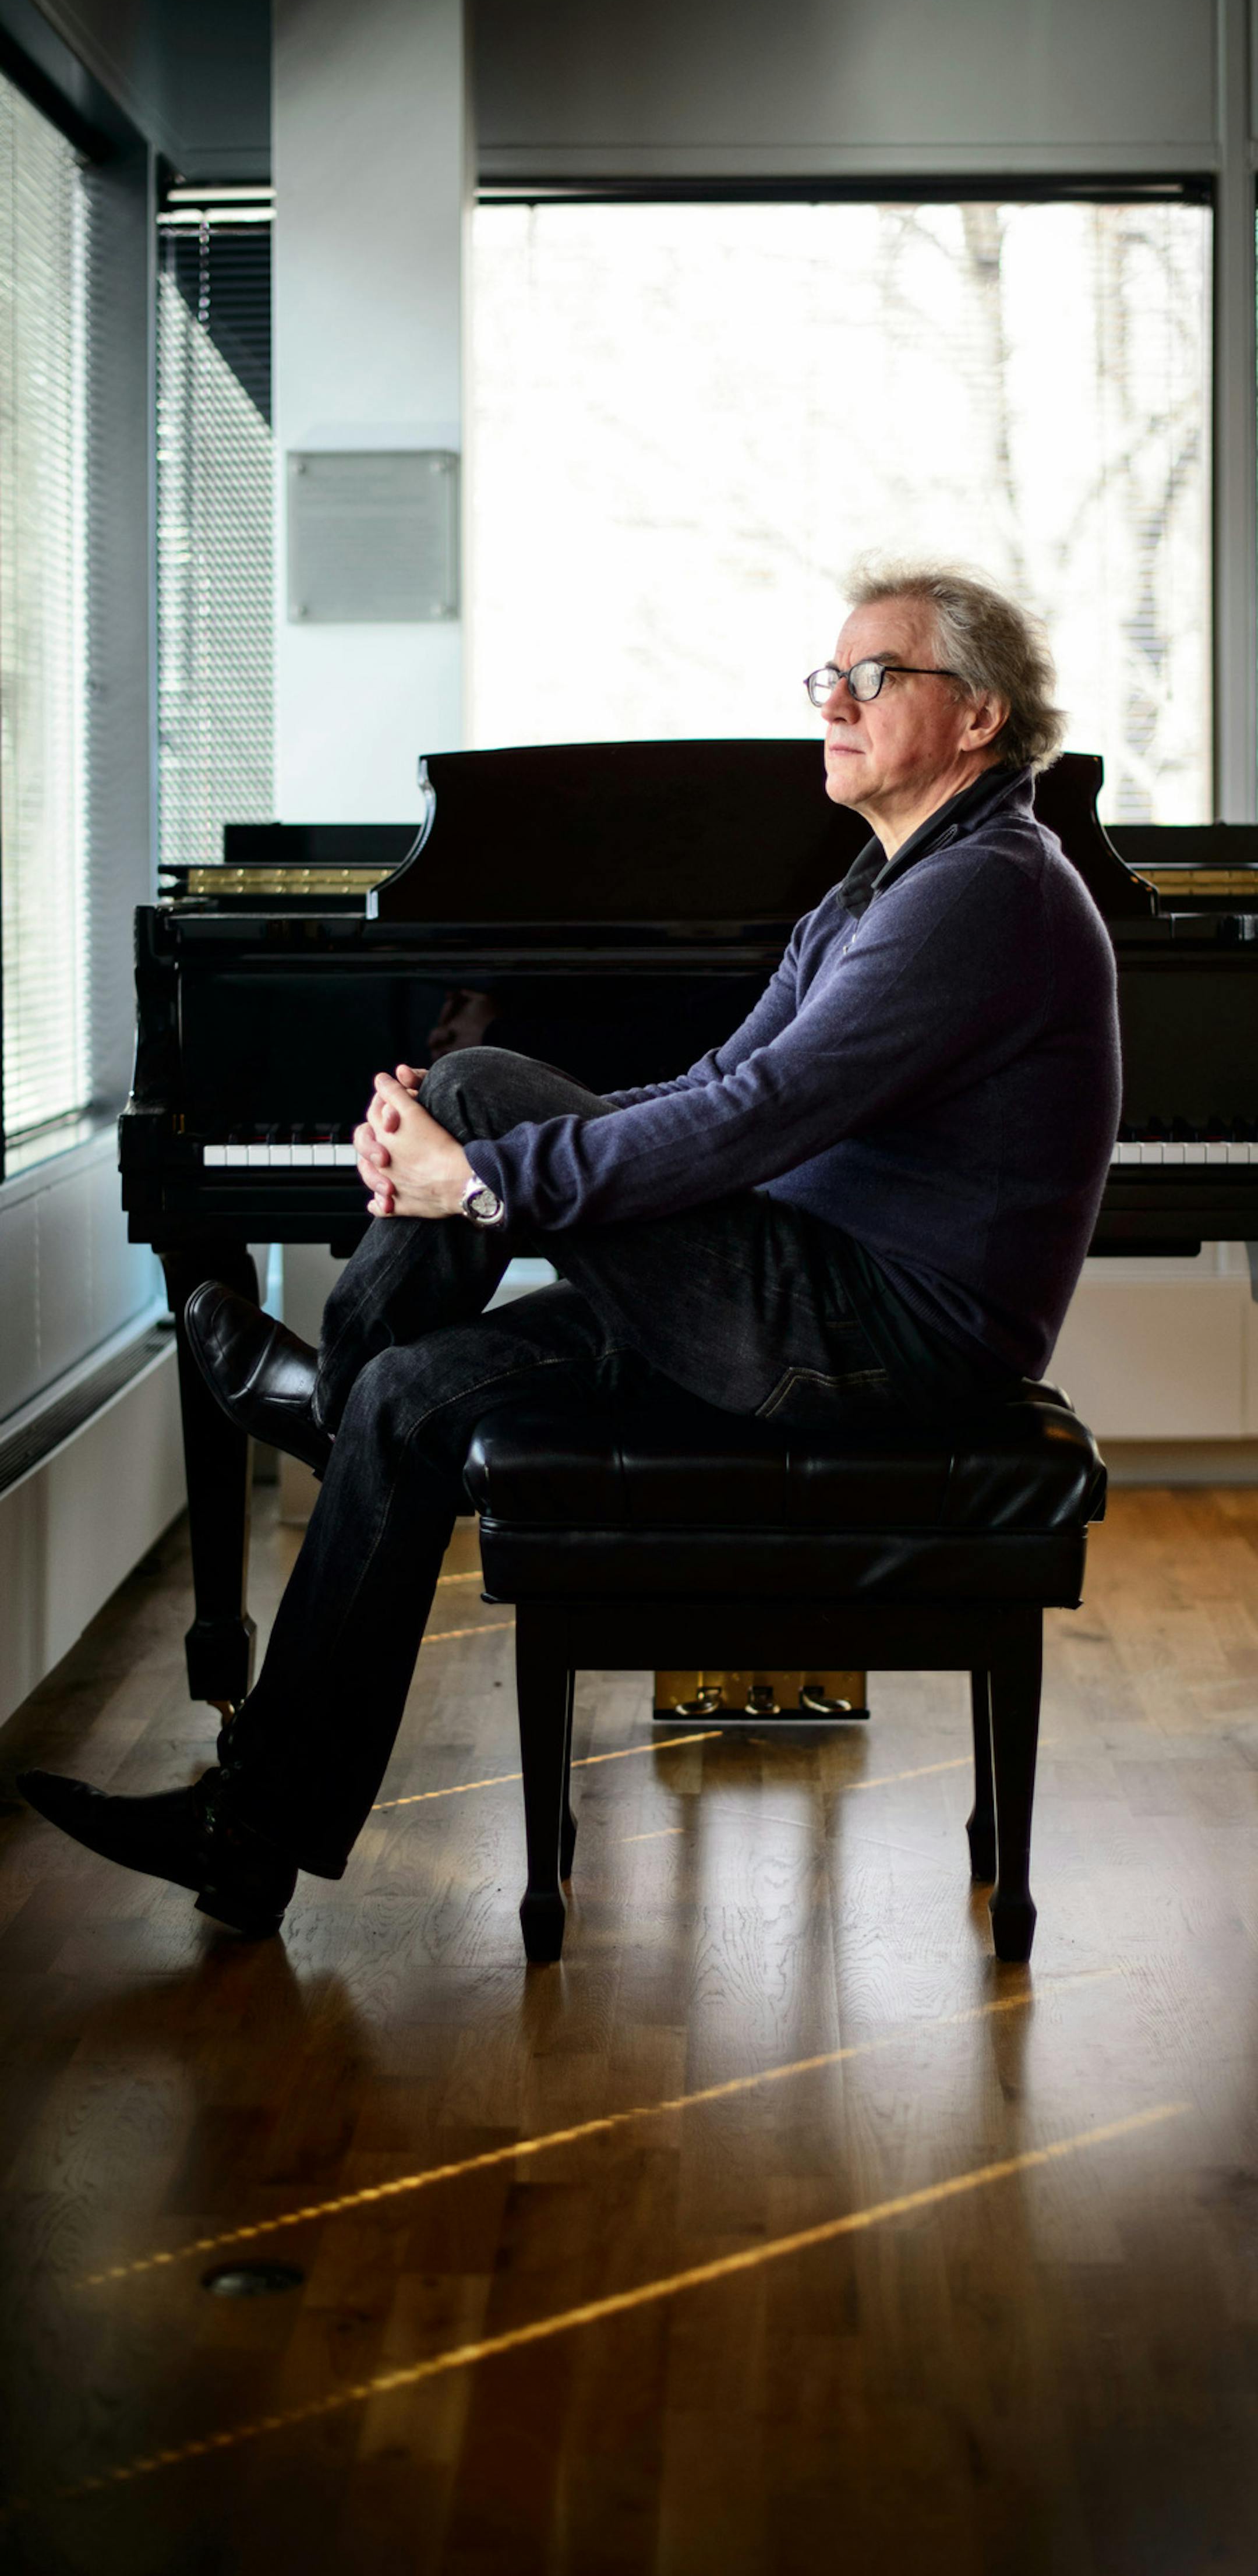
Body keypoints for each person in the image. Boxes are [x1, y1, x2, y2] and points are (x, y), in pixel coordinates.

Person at [19, 562, 1122, 1935]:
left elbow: (756, 1118)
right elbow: (716, 1076)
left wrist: (475, 1180)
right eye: (825, 677)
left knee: (475, 1089)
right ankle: (255, 1829)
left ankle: (323, 1398)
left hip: (880, 1351)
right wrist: (459, 1172)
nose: (832, 701)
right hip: (803, 1292)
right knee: (419, 1400)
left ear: (979, 717)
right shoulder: (877, 888)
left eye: (874, 676)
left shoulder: (989, 893)